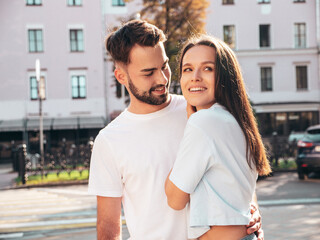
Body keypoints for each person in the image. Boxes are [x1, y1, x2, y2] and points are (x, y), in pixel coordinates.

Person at [88, 19, 264, 240]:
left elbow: (234, 170)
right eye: (148, 72)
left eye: (164, 66)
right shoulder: (109, 140)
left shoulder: (199, 108)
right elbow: (108, 227)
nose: (162, 79)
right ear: (121, 76)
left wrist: (251, 210)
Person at [165, 35, 272, 240]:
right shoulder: (238, 121)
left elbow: (174, 199)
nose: (195, 76)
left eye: (207, 68)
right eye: (187, 69)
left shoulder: (203, 122)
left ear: (225, 76)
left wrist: (191, 124)